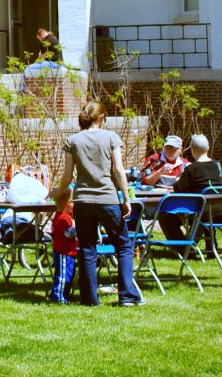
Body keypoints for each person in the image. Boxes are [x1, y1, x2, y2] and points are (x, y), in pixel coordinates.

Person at [48, 101, 145, 307]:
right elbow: (118, 170)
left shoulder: (72, 140)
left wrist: (57, 191)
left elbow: (67, 176)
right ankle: (127, 296)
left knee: (87, 248)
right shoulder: (111, 137)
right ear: (102, 117)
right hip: (108, 199)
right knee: (124, 246)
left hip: (82, 201)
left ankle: (89, 299)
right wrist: (126, 198)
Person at [160, 134, 222, 253]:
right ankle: (211, 245)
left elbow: (178, 189)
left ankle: (184, 249)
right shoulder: (217, 166)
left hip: (201, 214)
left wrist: (178, 179)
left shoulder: (192, 168)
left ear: (192, 150)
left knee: (164, 215)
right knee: (207, 204)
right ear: (208, 148)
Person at [49, 192, 77, 304]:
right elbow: (68, 234)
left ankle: (64, 294)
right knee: (63, 276)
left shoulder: (65, 216)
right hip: (63, 251)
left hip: (69, 252)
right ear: (65, 203)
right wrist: (77, 227)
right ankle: (58, 297)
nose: (74, 204)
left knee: (69, 274)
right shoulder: (63, 218)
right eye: (71, 202)